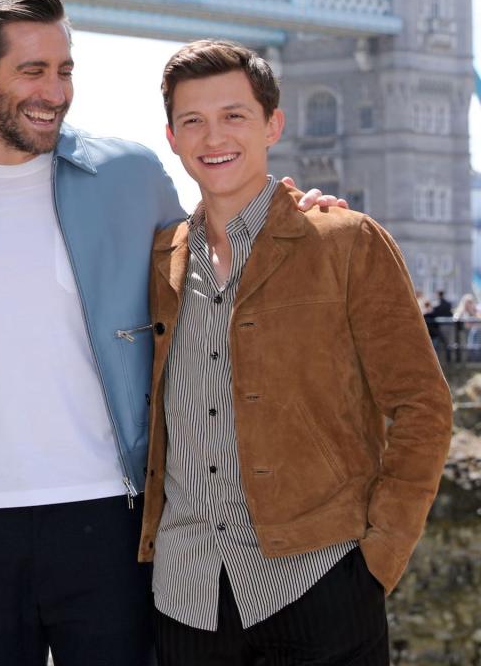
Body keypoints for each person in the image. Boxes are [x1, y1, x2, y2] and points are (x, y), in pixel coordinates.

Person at [0, 0, 340, 666]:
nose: (55, 91)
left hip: (113, 519)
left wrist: (296, 221)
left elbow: (214, 273)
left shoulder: (129, 172)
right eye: (32, 71)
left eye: (64, 69)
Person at [140, 39, 452, 665]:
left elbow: (422, 407)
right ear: (171, 137)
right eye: (192, 120)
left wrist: (378, 558)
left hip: (321, 581)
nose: (213, 136)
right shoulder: (157, 257)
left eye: (234, 115)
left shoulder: (346, 242)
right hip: (185, 595)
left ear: (273, 125)